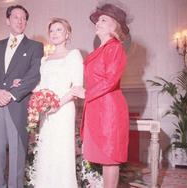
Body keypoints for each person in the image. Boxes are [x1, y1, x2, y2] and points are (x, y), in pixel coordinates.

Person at [0, 4, 43, 188]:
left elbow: (34, 75)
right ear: (7, 20)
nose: (20, 21)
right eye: (16, 17)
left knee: (17, 156)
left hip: (17, 107)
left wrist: (10, 93)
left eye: (24, 18)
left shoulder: (35, 46)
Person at [71, 3, 130, 188]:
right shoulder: (99, 50)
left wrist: (86, 92)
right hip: (97, 107)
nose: (98, 22)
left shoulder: (115, 47)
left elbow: (111, 79)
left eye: (103, 19)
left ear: (115, 26)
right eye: (98, 20)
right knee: (102, 156)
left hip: (109, 109)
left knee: (110, 157)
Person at [33, 18, 83, 188]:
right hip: (46, 111)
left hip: (63, 109)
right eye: (52, 30)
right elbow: (41, 85)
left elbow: (76, 88)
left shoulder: (74, 54)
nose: (54, 33)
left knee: (61, 151)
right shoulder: (44, 60)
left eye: (59, 30)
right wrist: (36, 99)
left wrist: (56, 104)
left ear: (67, 34)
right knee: (46, 150)